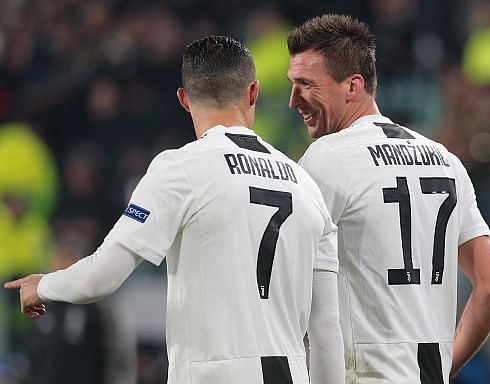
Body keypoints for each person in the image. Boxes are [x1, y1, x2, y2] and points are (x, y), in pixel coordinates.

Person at [4, 35, 345, 384]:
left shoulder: (180, 168)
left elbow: (101, 276)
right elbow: (326, 328)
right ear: (253, 92)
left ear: (184, 99)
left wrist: (43, 285)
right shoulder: (305, 185)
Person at [286, 14, 490, 383]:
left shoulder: (329, 159)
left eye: (307, 85)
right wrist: (444, 366)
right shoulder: (446, 162)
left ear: (353, 86)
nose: (295, 100)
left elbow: (284, 280)